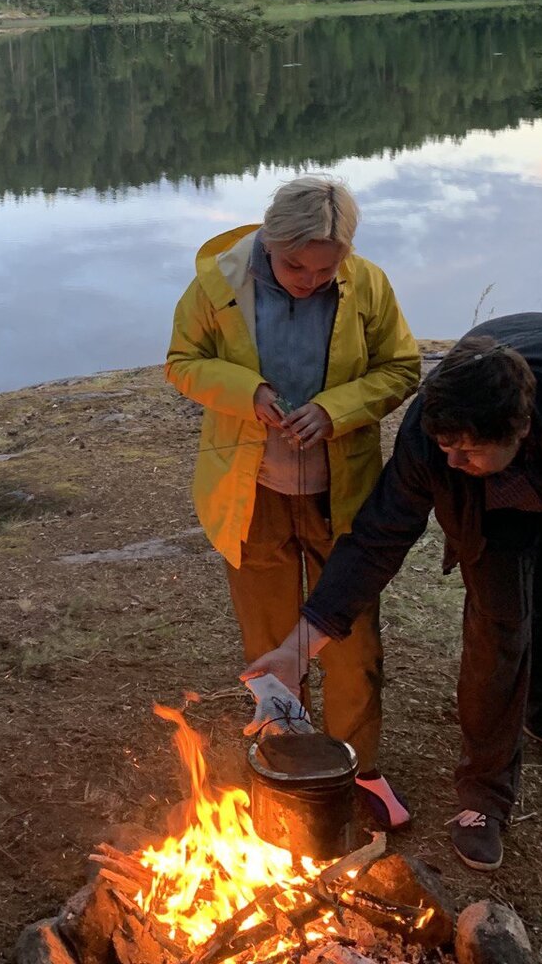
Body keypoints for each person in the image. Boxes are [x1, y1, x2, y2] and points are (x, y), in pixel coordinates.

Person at [243, 312, 542, 871]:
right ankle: (484, 798)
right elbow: (378, 539)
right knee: (498, 636)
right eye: (444, 449)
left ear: (519, 428)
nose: (450, 464)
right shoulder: (433, 435)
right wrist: (299, 645)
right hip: (493, 519)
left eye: (468, 453)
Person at [165, 174, 421, 829]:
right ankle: (288, 765)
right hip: (250, 496)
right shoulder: (218, 287)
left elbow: (401, 370)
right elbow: (182, 363)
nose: (310, 280)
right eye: (295, 266)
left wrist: (335, 412)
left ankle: (358, 771)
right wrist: (246, 391)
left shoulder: (367, 286)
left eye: (325, 268)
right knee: (272, 643)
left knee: (352, 640)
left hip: (343, 496)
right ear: (269, 244)